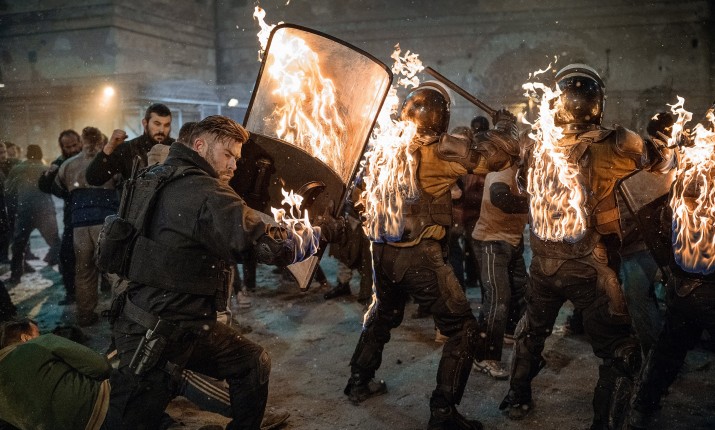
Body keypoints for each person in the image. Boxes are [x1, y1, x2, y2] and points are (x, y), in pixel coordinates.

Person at [105, 115, 339, 430]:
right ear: (200, 145)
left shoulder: (154, 176)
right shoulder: (206, 191)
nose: (234, 165)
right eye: (228, 154)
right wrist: (319, 234)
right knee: (130, 422)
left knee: (250, 361)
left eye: (237, 158)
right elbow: (266, 247)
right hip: (161, 333)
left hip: (149, 317)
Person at [498, 64, 675, 429]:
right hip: (590, 266)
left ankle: (517, 397)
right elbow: (660, 162)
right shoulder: (615, 142)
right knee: (620, 351)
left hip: (543, 264)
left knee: (532, 333)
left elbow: (522, 184)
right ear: (597, 103)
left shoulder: (535, 143)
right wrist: (664, 143)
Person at [344, 82, 520, 430]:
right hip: (419, 257)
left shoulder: (385, 149)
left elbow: (357, 197)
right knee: (462, 330)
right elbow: (497, 157)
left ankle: (359, 380)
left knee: (383, 314)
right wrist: (504, 125)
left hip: (383, 252)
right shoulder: (439, 152)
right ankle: (443, 414)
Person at [627, 113, 712, 429]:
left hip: (686, 285)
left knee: (669, 350)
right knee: (669, 350)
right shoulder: (684, 175)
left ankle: (643, 406)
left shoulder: (685, 173)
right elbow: (658, 222)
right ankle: (643, 405)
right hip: (695, 284)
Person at [55, 126, 120, 327]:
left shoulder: (68, 165)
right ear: (101, 141)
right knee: (114, 271)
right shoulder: (109, 162)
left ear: (82, 141)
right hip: (105, 222)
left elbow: (60, 186)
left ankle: (85, 315)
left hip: (79, 225)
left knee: (84, 272)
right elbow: (120, 183)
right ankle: (123, 314)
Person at [0, 318, 112, 430]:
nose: (41, 336)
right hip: (104, 411)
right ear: (25, 338)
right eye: (38, 333)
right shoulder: (38, 344)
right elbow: (102, 367)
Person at [471, 163, 528, 380]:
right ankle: (484, 356)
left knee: (520, 291)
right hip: (492, 241)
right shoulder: (504, 169)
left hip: (512, 241)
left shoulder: (524, 171)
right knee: (498, 298)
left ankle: (509, 332)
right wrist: (536, 203)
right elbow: (500, 198)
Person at [4, 145, 62, 284]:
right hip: (45, 211)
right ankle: (65, 271)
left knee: (19, 245)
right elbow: (57, 189)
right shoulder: (46, 169)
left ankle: (16, 275)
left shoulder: (17, 169)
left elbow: (9, 191)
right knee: (55, 242)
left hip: (25, 210)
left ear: (27, 154)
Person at [38, 129, 82, 305]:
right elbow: (44, 186)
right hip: (72, 214)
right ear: (62, 147)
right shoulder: (60, 162)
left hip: (95, 213)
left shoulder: (90, 156)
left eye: (74, 145)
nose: (72, 149)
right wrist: (49, 174)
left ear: (80, 142)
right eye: (67, 147)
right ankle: (71, 293)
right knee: (67, 255)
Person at [85, 103, 174, 186]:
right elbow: (94, 179)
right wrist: (109, 147)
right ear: (145, 123)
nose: (161, 130)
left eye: (166, 125)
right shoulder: (129, 149)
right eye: (157, 124)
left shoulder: (176, 149)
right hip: (136, 198)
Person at [0, 143, 19, 264]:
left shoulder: (10, 165)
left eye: (4, 152)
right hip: (2, 202)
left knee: (11, 229)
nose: (3, 155)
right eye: (0, 153)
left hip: (9, 202)